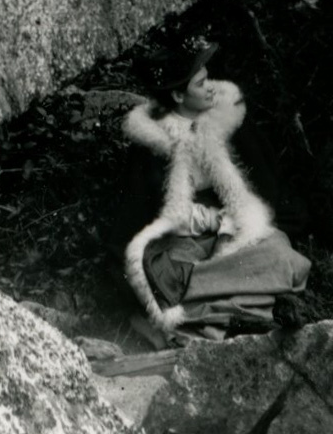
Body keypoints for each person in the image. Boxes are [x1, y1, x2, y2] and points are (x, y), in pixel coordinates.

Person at [120, 40, 305, 336]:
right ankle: (235, 309)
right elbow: (151, 213)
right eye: (202, 83)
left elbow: (259, 192)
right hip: (182, 240)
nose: (212, 88)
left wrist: (228, 226)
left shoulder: (227, 122)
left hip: (232, 227)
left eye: (209, 78)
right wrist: (209, 223)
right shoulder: (152, 142)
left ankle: (218, 309)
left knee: (282, 255)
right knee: (167, 273)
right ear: (179, 95)